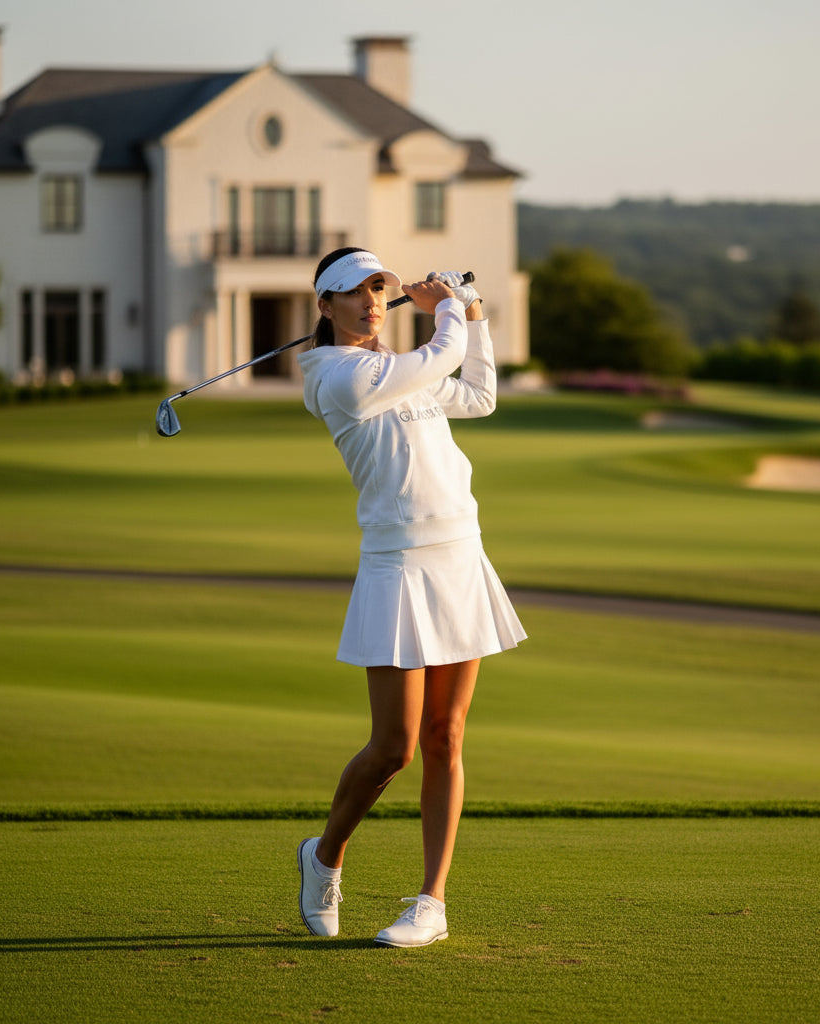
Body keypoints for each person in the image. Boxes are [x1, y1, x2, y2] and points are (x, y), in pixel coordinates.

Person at [294, 247, 526, 948]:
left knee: (446, 738)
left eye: (379, 290)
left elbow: (479, 394)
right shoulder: (339, 377)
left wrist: (473, 318)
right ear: (325, 306)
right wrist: (449, 307)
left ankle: (432, 901)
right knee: (392, 747)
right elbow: (438, 357)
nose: (371, 303)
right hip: (397, 564)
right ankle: (325, 853)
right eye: (354, 293)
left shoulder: (399, 373)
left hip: (460, 553)